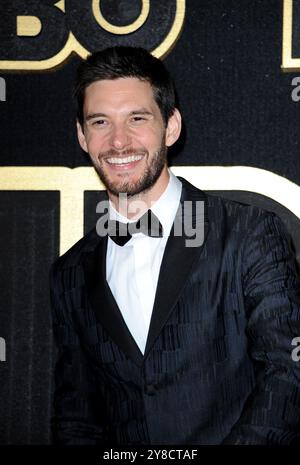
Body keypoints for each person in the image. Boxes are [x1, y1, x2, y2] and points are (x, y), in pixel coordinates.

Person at [50, 46, 300, 445]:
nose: (118, 141)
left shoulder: (248, 232)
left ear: (170, 127)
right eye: (100, 122)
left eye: (137, 119)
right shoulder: (70, 272)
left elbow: (287, 377)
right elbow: (77, 413)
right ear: (82, 136)